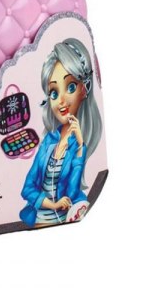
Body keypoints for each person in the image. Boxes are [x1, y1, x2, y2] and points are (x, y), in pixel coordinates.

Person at [19, 38, 102, 227]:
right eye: (54, 93)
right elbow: (27, 188)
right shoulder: (48, 141)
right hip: (40, 218)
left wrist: (79, 147)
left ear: (84, 89)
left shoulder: (78, 146)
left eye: (70, 87)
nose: (61, 101)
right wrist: (53, 204)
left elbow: (72, 193)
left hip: (65, 219)